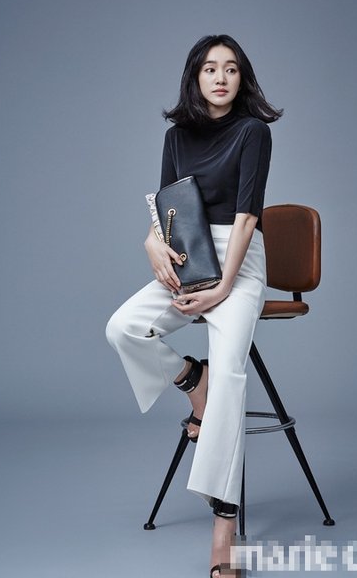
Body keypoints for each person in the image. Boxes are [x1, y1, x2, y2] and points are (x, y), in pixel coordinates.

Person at [106, 34, 282, 578]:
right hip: (190, 251)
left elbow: (248, 216)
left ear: (242, 77)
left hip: (239, 262)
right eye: (210, 69)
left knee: (231, 376)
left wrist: (225, 287)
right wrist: (151, 243)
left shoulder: (253, 132)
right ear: (195, 77)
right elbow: (167, 207)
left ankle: (223, 531)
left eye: (230, 68)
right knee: (123, 328)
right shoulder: (176, 136)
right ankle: (190, 380)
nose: (220, 77)